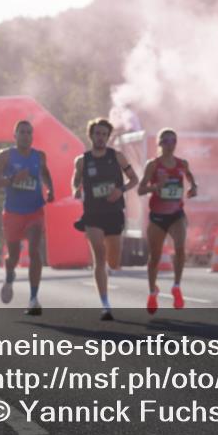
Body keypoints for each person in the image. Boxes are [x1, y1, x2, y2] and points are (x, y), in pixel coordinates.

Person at [72, 118, 139, 320]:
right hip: (93, 213)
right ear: (91, 135)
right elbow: (75, 182)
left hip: (114, 212)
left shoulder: (117, 157)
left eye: (104, 134)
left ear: (108, 137)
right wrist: (76, 190)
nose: (100, 137)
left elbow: (134, 179)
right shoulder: (82, 161)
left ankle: (110, 269)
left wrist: (121, 190)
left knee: (113, 260)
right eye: (97, 134)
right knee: (99, 258)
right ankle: (105, 304)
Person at [0, 120, 55, 315]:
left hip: (35, 211)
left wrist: (50, 189)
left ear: (32, 136)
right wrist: (11, 180)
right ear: (15, 136)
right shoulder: (5, 156)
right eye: (22, 132)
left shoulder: (39, 156)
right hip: (13, 212)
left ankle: (33, 299)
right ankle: (9, 276)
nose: (25, 135)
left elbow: (45, 174)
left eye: (28, 132)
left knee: (34, 250)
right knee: (14, 256)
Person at [137, 128, 197, 314]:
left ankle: (176, 286)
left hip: (176, 214)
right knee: (155, 257)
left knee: (180, 249)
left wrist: (193, 187)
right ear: (159, 144)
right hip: (157, 216)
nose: (170, 145)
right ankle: (152, 291)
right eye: (165, 141)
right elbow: (140, 190)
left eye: (173, 141)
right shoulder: (153, 165)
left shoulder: (182, 164)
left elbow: (190, 177)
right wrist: (156, 187)